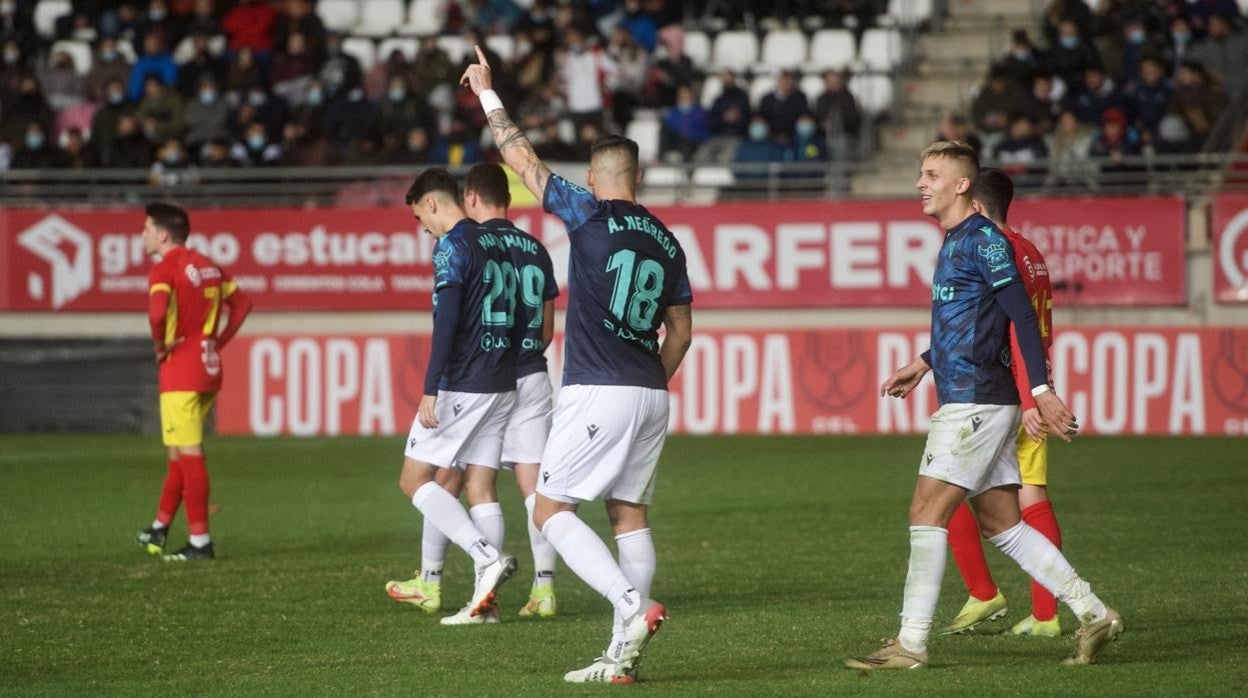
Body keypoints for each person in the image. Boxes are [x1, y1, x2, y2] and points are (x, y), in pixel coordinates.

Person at [461, 45, 693, 683]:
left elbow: (520, 157)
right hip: (651, 392)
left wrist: (487, 91)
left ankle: (629, 605)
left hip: (598, 389)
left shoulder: (587, 212)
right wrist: (650, 377)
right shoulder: (667, 239)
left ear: (593, 177)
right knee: (629, 517)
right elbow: (682, 331)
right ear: (638, 179)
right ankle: (620, 659)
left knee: (549, 509)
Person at [844, 141, 1122, 671]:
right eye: (920, 173)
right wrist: (925, 361)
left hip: (975, 401)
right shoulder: (957, 241)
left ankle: (911, 643)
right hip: (974, 395)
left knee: (926, 512)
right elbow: (978, 318)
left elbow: (1019, 314)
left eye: (931, 174)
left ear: (962, 184)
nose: (921, 183)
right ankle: (1094, 611)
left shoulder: (984, 240)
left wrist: (1040, 390)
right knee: (1002, 525)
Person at [386, 163, 562, 624]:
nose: (421, 227)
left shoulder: (453, 246)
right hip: (506, 382)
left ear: (431, 203)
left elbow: (446, 321)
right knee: (479, 485)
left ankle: (484, 558)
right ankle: (488, 602)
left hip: (465, 381)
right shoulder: (498, 243)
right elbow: (532, 322)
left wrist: (431, 388)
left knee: (414, 479)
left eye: (418, 216)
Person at [937, 168, 1067, 637]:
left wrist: (1030, 397)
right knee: (1033, 497)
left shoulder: (993, 248)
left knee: (939, 495)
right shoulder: (1031, 252)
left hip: (1000, 391)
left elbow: (1009, 326)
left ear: (976, 204)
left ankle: (983, 592)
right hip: (1030, 386)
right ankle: (1046, 616)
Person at [135, 203, 252, 562]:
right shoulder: (207, 265)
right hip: (208, 367)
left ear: (162, 234)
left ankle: (200, 541)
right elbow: (243, 304)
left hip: (179, 372)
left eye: (146, 228)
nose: (142, 234)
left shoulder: (164, 269)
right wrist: (217, 342)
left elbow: (157, 313)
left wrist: (159, 346)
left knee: (190, 454)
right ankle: (160, 526)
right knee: (178, 455)